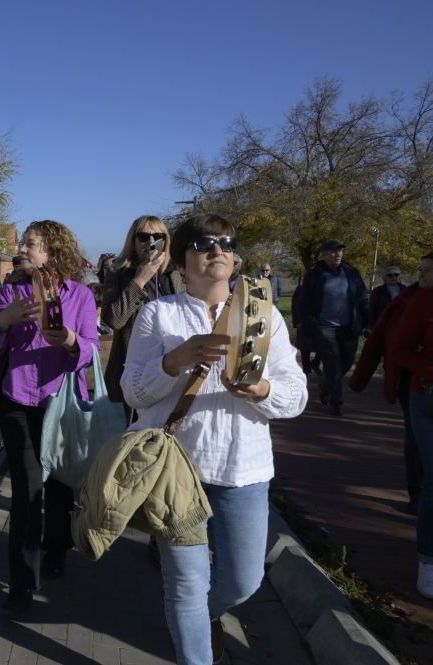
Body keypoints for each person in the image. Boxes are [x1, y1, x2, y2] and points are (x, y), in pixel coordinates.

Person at [122, 214, 307, 665]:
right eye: (204, 243)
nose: (217, 250)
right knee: (185, 585)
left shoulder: (265, 318)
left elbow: (296, 396)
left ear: (235, 256)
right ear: (181, 260)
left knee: (243, 581)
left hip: (243, 470)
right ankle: (193, 644)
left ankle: (194, 621)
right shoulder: (158, 314)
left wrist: (261, 390)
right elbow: (133, 392)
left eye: (226, 242)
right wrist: (174, 361)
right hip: (176, 471)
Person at [0, 220, 98, 615]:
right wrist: (3, 320)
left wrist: (68, 340)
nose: (24, 250)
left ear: (53, 251)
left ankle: (57, 548)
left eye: (32, 244)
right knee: (27, 494)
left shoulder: (80, 294)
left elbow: (90, 350)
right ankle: (22, 582)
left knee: (60, 488)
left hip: (62, 403)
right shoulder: (10, 291)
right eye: (26, 244)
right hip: (18, 402)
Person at [350, 261, 424, 514]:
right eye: (421, 269)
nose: (422, 275)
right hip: (412, 383)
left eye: (428, 270)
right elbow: (383, 339)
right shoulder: (405, 301)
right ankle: (417, 494)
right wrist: (359, 379)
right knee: (416, 436)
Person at [101, 215, 184, 423]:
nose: (151, 242)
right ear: (133, 241)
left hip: (173, 366)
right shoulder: (118, 273)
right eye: (144, 237)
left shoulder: (176, 274)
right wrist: (140, 279)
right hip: (135, 368)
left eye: (158, 236)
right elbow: (113, 320)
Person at [390, 253, 433, 599]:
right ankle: (428, 561)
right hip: (428, 399)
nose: (423, 276)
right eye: (421, 270)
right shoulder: (423, 302)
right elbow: (399, 349)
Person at [300, 239, 369, 415]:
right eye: (332, 251)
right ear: (323, 254)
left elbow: (362, 299)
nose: (337, 254)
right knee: (332, 363)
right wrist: (308, 323)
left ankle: (326, 385)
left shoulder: (351, 272)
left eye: (339, 251)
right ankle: (335, 401)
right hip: (325, 327)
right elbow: (305, 301)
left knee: (346, 362)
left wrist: (367, 323)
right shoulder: (315, 273)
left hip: (348, 326)